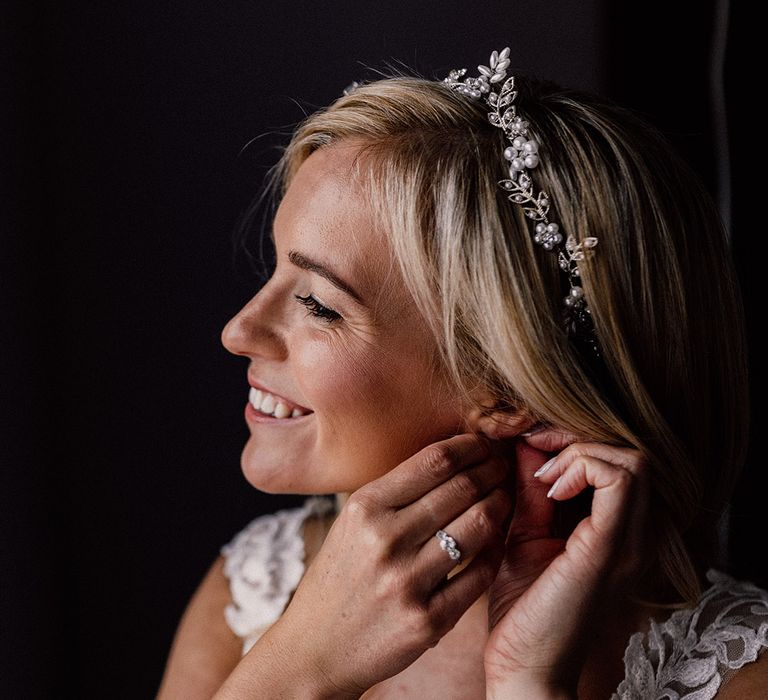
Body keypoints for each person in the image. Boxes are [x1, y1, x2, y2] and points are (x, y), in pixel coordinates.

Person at [157, 48, 768, 699]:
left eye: (317, 303)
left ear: (507, 391)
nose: (237, 330)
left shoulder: (737, 675)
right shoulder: (255, 588)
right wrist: (295, 669)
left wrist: (528, 683)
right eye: (274, 270)